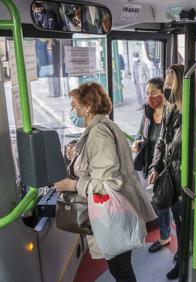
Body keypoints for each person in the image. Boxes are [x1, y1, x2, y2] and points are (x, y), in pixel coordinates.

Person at [55, 82, 150, 282]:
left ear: (88, 105)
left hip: (113, 215)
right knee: (121, 268)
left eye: (75, 105)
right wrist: (78, 155)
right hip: (119, 210)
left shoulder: (98, 133)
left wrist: (71, 185)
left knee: (121, 271)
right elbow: (100, 164)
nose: (73, 110)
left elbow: (108, 182)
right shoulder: (102, 127)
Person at [148, 64, 184, 280]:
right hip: (171, 176)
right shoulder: (170, 109)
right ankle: (181, 256)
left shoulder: (194, 113)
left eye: (170, 83)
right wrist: (154, 167)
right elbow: (161, 141)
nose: (167, 88)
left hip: (184, 178)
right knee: (177, 222)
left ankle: (183, 260)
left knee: (184, 223)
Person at [131, 77, 171, 252]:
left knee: (166, 203)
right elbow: (140, 133)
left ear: (163, 92)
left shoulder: (172, 113)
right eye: (147, 94)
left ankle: (168, 236)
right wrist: (137, 142)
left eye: (153, 93)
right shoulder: (148, 111)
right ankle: (165, 235)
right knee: (160, 202)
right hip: (150, 162)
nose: (150, 97)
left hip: (166, 164)